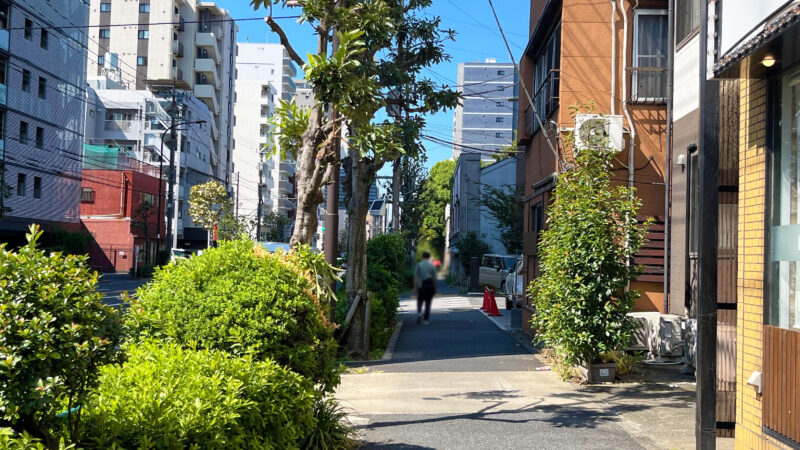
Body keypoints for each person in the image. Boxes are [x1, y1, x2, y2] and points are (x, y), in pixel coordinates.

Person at [414, 251, 437, 324]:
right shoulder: (432, 266)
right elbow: (434, 278)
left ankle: (419, 313)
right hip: (430, 285)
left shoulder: (419, 265)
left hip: (421, 285)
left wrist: (415, 288)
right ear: (429, 257)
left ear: (423, 257)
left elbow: (416, 277)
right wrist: (435, 288)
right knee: (428, 302)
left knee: (420, 301)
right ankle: (426, 320)